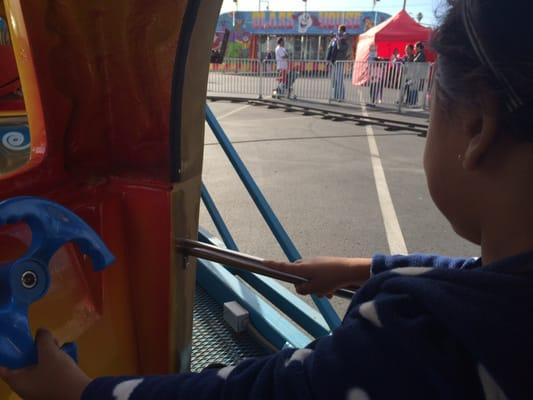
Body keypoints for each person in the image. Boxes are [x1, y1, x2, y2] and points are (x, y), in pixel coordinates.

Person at [2, 0, 533, 398]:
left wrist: (79, 392)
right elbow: (465, 272)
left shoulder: (419, 343)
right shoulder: (500, 295)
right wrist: (358, 267)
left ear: (477, 125)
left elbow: (265, 391)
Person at [327, 25, 349, 101]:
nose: (338, 31)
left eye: (340, 30)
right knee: (334, 81)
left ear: (343, 31)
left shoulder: (344, 41)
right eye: (338, 30)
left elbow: (340, 48)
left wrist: (338, 40)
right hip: (334, 62)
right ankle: (336, 96)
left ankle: (341, 97)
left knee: (339, 80)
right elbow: (330, 49)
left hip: (339, 62)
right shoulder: (335, 40)